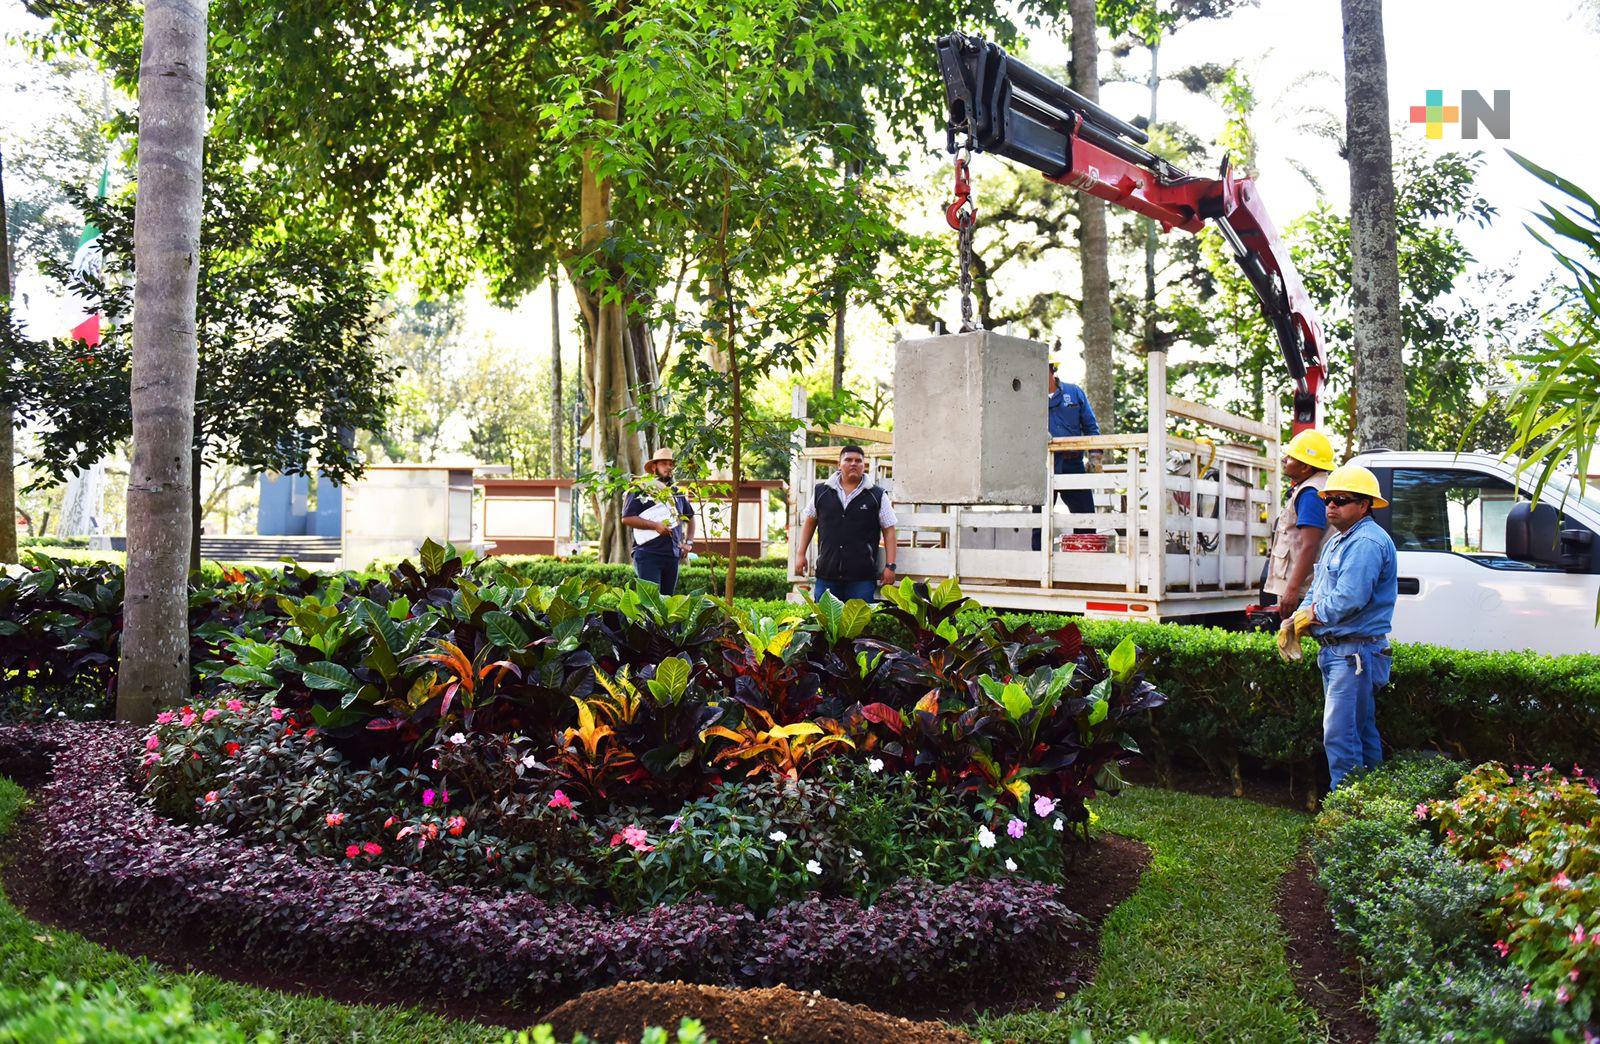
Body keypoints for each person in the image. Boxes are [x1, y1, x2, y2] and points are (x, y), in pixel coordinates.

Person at [1291, 464, 1398, 791]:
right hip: (1344, 653)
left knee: (1340, 735)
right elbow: (1317, 588)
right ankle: (1369, 809)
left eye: (1341, 500)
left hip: (1354, 654)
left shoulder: (1365, 542)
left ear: (1364, 505)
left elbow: (1348, 599)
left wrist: (1308, 617)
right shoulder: (1339, 540)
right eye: (1328, 500)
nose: (1331, 506)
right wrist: (1299, 614)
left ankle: (1346, 814)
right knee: (1360, 732)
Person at [793, 444, 897, 602]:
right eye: (848, 460)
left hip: (861, 577)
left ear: (864, 465)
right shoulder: (821, 492)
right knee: (826, 623)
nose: (853, 463)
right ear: (839, 464)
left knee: (858, 624)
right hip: (827, 574)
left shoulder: (877, 495)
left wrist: (890, 566)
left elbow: (889, 530)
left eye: (858, 461)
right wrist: (800, 554)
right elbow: (810, 521)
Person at [1264, 428, 1335, 617]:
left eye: (1291, 457)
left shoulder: (1311, 493)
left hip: (1304, 590)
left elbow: (1309, 545)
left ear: (1305, 467)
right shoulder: (1317, 486)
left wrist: (1292, 589)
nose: (1285, 460)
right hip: (1310, 586)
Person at [1033, 362, 1101, 550]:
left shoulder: (1074, 392)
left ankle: (1085, 560)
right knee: (1040, 517)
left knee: (1085, 516)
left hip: (1073, 463)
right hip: (1044, 465)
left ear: (1051, 370)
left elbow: (1090, 426)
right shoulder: (1029, 397)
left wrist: (1095, 457)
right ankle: (1038, 564)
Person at [621, 448, 695, 595]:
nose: (668, 467)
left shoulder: (676, 493)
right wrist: (655, 526)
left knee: (667, 603)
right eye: (664, 464)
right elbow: (627, 518)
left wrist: (689, 543)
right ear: (654, 467)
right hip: (648, 554)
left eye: (671, 464)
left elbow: (690, 517)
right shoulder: (641, 488)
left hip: (672, 556)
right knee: (651, 603)